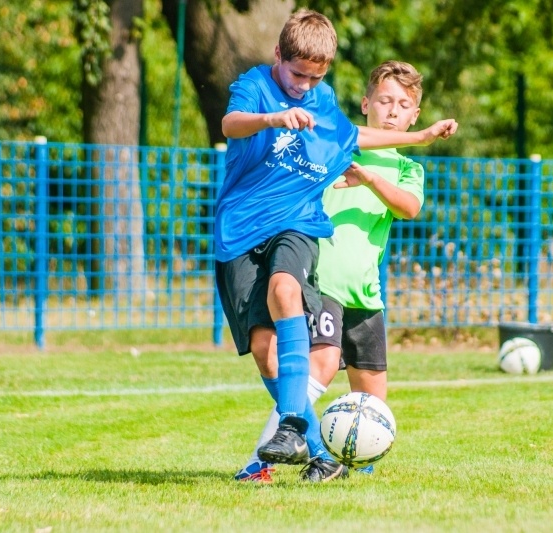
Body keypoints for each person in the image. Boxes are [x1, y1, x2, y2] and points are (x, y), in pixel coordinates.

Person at [217, 9, 457, 483]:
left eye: (315, 77)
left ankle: (300, 436)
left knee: (292, 298)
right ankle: (302, 439)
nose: (305, 87)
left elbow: (369, 159)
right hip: (246, 233)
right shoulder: (258, 88)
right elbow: (230, 124)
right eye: (298, 74)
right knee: (270, 350)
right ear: (277, 55)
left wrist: (421, 140)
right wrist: (274, 118)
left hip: (325, 254)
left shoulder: (328, 106)